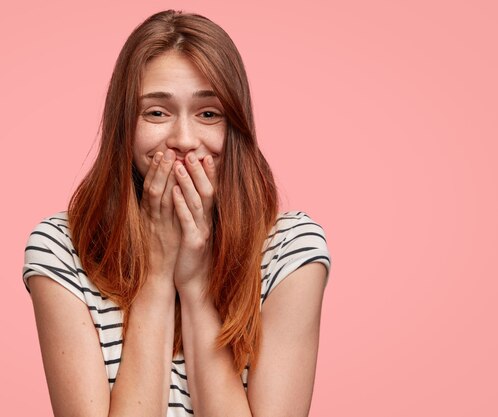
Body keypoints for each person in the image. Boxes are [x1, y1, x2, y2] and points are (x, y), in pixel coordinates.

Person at [22, 9, 331, 417]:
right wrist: (155, 280)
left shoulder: (290, 250)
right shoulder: (60, 248)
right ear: (124, 128)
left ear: (234, 125)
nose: (184, 140)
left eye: (208, 114)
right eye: (156, 112)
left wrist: (197, 287)